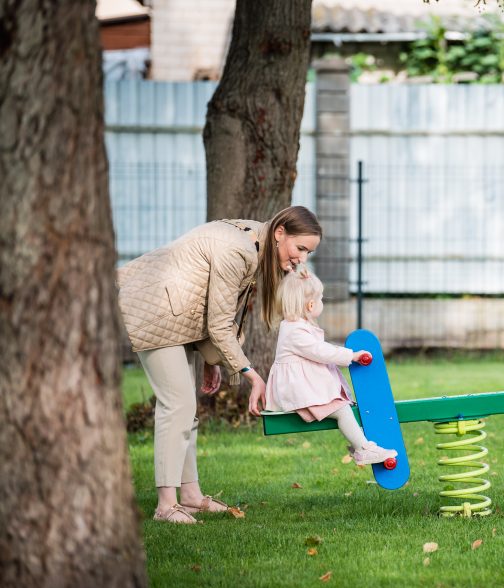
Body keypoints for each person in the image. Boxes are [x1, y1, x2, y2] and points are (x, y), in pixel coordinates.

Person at [117, 206, 323, 524]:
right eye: (301, 248)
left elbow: (216, 306)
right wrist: (253, 377)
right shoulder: (239, 251)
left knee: (187, 409)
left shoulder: (258, 242)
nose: (302, 259)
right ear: (280, 233)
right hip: (156, 309)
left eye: (308, 252)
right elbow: (219, 324)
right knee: (177, 406)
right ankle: (165, 505)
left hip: (179, 315)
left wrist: (213, 360)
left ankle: (191, 496)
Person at [265, 268, 398, 465]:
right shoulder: (295, 331)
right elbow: (321, 351)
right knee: (342, 410)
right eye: (321, 299)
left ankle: (359, 443)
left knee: (343, 407)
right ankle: (364, 449)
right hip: (299, 394)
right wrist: (350, 356)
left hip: (302, 390)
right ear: (311, 305)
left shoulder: (296, 327)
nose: (322, 303)